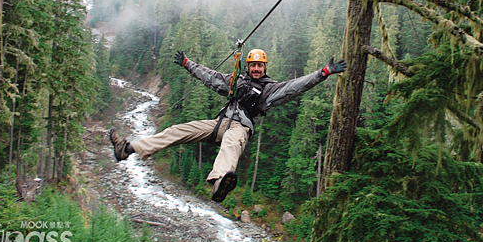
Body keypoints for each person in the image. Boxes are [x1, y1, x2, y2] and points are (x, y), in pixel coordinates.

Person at [109, 48, 346, 202]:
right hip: (219, 123)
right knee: (178, 131)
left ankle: (219, 184)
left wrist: (323, 73)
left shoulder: (270, 90)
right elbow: (210, 76)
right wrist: (187, 64)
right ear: (248, 67)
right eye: (252, 65)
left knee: (231, 145)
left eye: (259, 66)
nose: (256, 68)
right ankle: (127, 149)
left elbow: (297, 86)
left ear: (264, 68)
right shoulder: (237, 82)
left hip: (240, 128)